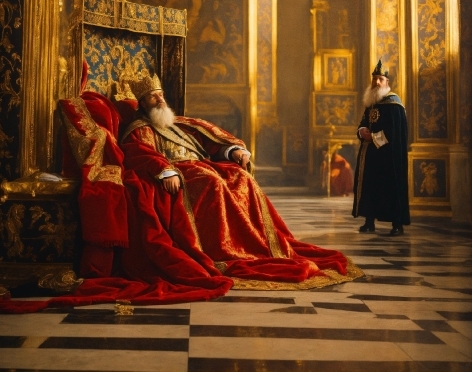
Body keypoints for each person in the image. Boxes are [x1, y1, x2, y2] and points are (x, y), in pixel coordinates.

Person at [119, 71, 362, 289]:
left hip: (202, 164)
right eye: (153, 97)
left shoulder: (178, 124)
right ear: (142, 104)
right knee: (212, 181)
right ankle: (223, 250)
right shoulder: (141, 129)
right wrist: (165, 171)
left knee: (240, 177)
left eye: (160, 95)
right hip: (180, 171)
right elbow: (140, 153)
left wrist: (232, 151)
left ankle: (257, 244)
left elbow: (210, 140)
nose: (160, 100)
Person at [352, 59, 410, 236]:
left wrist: (374, 137)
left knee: (390, 188)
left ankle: (397, 224)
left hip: (389, 156)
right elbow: (364, 122)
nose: (376, 82)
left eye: (380, 79)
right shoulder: (372, 102)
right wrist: (362, 131)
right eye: (374, 79)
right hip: (371, 155)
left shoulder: (394, 105)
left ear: (387, 83)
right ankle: (369, 221)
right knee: (370, 187)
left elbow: (396, 133)